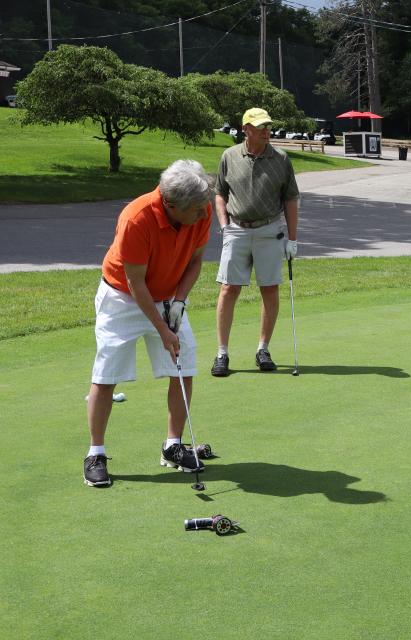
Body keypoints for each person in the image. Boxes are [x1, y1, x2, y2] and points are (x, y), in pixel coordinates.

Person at [84, 160, 213, 487]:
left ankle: (173, 445)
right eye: (197, 209)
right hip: (122, 297)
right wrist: (162, 329)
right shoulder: (136, 218)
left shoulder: (201, 208)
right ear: (171, 204)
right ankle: (95, 453)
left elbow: (196, 261)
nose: (204, 213)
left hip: (168, 295)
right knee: (107, 373)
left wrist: (179, 302)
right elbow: (136, 283)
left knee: (183, 366)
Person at [211, 107, 300, 377]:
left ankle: (263, 349)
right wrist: (224, 227)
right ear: (245, 129)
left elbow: (290, 200)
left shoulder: (281, 158)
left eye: (268, 126)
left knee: (270, 289)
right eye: (260, 126)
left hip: (269, 231)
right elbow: (219, 194)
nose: (266, 131)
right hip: (236, 229)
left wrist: (292, 240)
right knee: (228, 289)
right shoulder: (229, 156)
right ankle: (222, 353)